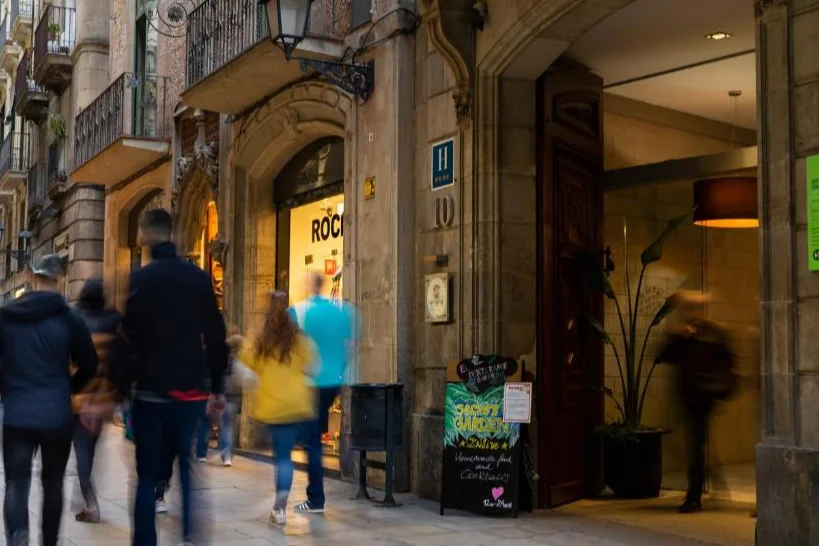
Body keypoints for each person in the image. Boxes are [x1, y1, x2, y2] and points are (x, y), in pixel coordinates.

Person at [121, 209, 228, 546]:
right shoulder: (197, 278)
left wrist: (126, 389)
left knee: (147, 477)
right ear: (171, 235)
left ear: (145, 235)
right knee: (188, 470)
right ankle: (191, 539)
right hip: (190, 392)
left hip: (150, 395)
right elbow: (215, 335)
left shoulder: (139, 281)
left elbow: (128, 340)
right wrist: (218, 388)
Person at [0, 255, 98, 546]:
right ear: (60, 279)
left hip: (17, 414)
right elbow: (90, 363)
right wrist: (69, 388)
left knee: (16, 483)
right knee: (52, 484)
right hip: (56, 415)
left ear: (33, 279)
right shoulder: (70, 319)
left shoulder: (6, 316)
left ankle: (18, 536)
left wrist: (7, 389)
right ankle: (50, 541)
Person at [656, 291, 738, 514]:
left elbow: (728, 362)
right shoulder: (686, 333)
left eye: (693, 308)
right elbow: (662, 356)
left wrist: (720, 387)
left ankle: (694, 496)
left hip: (704, 396)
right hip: (690, 396)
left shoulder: (715, 333)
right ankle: (711, 481)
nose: (690, 313)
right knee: (698, 444)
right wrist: (679, 337)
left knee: (696, 444)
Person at [239, 292, 317, 525]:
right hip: (296, 403)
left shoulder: (260, 339)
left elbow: (245, 369)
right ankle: (282, 499)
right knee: (287, 456)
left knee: (281, 455)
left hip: (273, 404)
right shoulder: (299, 338)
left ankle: (280, 504)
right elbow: (313, 367)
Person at [289, 273, 357, 514]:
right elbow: (350, 347)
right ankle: (315, 497)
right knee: (315, 432)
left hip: (311, 383)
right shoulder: (342, 312)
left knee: (312, 442)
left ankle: (315, 498)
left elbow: (290, 345)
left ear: (311, 286)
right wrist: (338, 371)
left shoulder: (301, 311)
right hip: (333, 383)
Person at [72, 278, 122, 523]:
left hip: (79, 400)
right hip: (102, 401)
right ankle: (85, 494)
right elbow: (117, 366)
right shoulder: (113, 321)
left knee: (82, 453)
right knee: (90, 451)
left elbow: (70, 363)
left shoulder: (74, 319)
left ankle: (90, 503)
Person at [220, 331, 245, 466]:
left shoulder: (222, 358)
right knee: (230, 426)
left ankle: (225, 453)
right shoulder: (240, 360)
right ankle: (228, 454)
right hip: (234, 395)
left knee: (225, 425)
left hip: (224, 394)